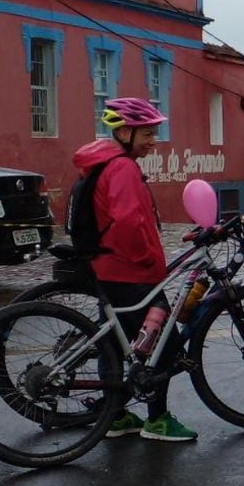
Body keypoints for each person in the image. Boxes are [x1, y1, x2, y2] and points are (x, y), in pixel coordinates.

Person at [74, 97, 196, 443]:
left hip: (108, 267)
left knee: (114, 345)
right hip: (132, 272)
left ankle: (115, 416)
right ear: (124, 132)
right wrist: (145, 258)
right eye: (146, 134)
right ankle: (157, 420)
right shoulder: (123, 168)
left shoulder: (102, 163)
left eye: (154, 133)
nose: (153, 140)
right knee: (163, 346)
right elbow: (128, 221)